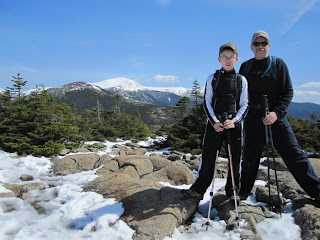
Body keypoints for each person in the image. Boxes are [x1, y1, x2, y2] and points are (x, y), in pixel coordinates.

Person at [239, 30, 320, 203]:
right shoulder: (245, 67)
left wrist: (276, 113)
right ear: (251, 47)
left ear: (269, 46)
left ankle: (317, 191)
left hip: (277, 118)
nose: (260, 47)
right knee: (250, 158)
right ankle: (242, 193)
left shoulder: (278, 64)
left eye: (263, 44)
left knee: (295, 155)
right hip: (253, 119)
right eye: (257, 44)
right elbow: (241, 94)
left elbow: (288, 91)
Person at [181, 42, 249, 200]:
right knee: (208, 157)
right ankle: (198, 190)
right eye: (224, 56)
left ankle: (232, 192)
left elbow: (245, 104)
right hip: (215, 124)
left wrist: (235, 122)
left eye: (231, 57)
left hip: (234, 125)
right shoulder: (213, 78)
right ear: (219, 59)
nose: (227, 59)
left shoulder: (241, 80)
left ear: (236, 59)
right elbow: (207, 102)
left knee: (236, 159)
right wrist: (214, 122)